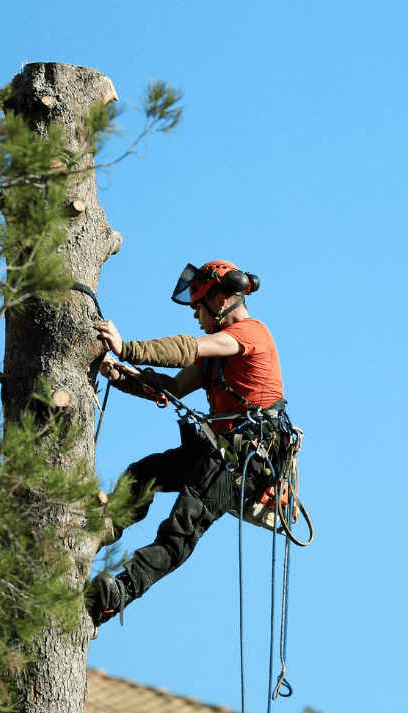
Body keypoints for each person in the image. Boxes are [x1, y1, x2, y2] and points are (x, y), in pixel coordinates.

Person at [88, 260, 288, 627]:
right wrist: (122, 376)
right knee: (143, 473)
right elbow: (174, 387)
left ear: (222, 299)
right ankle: (104, 526)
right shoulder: (218, 357)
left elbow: (185, 348)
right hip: (219, 450)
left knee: (181, 527)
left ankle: (120, 593)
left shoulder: (248, 334)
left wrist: (126, 348)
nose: (196, 314)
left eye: (199, 306)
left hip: (245, 458)